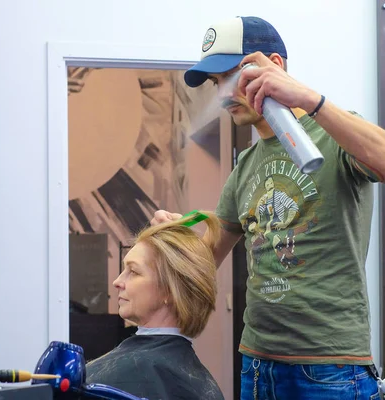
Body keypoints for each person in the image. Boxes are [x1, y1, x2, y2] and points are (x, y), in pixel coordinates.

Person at [152, 16, 385, 399]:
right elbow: (207, 256)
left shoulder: (332, 135)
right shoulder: (245, 165)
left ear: (274, 67)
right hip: (257, 365)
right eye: (217, 83)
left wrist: (308, 99)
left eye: (232, 77)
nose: (224, 94)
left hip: (329, 369)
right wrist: (176, 236)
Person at [85, 211, 225, 400]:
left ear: (170, 289)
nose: (117, 281)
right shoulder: (199, 384)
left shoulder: (142, 373)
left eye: (133, 271)